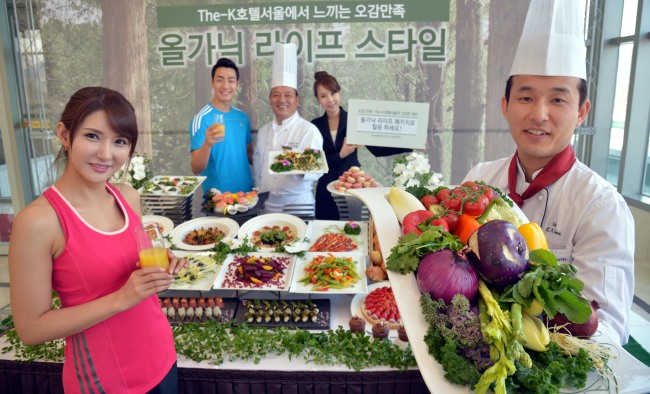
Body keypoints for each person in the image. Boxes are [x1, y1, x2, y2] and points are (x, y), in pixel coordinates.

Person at [464, 0, 634, 345]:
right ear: (505, 106)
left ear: (582, 111)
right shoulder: (478, 180)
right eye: (526, 98)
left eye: (558, 100)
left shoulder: (600, 206)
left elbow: (607, 328)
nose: (539, 115)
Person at [9, 87, 189, 393]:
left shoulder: (127, 196)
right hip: (105, 381)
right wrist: (121, 298)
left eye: (119, 141)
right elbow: (31, 328)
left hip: (161, 358)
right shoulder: (39, 221)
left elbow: (129, 264)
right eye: (92, 136)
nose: (106, 154)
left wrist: (162, 268)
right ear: (65, 136)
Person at [311, 71, 411, 220]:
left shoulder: (355, 120)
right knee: (327, 230)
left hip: (355, 187)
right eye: (323, 96)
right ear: (318, 99)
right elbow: (315, 163)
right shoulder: (314, 126)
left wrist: (410, 144)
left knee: (354, 230)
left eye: (333, 93)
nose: (330, 99)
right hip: (327, 189)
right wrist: (341, 154)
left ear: (339, 93)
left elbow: (378, 149)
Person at [252, 43, 324, 213]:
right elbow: (258, 167)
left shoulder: (308, 130)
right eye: (276, 95)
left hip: (298, 206)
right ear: (270, 99)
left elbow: (315, 170)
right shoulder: (263, 132)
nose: (281, 100)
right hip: (266, 207)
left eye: (288, 95)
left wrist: (295, 165)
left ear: (297, 100)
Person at [190, 57, 253, 193]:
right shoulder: (201, 119)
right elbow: (196, 168)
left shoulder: (242, 117)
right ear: (212, 82)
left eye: (230, 81)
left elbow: (249, 154)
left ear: (237, 84)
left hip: (247, 197)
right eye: (220, 80)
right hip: (219, 201)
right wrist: (207, 144)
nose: (225, 86)